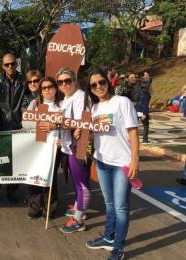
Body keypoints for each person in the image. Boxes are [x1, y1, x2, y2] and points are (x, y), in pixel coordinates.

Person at [84, 68, 139, 260]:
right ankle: (108, 237)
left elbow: (133, 132)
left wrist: (135, 160)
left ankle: (119, 248)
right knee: (109, 204)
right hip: (102, 162)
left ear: (108, 82)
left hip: (121, 163)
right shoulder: (94, 108)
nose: (98, 86)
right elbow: (95, 135)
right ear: (90, 88)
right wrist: (84, 134)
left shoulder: (122, 102)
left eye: (101, 82)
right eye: (93, 85)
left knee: (121, 207)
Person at [24, 76, 64, 219]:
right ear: (40, 90)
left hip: (55, 148)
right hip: (37, 146)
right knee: (35, 177)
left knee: (50, 178)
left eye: (50, 87)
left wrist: (58, 130)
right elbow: (25, 123)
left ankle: (49, 210)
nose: (47, 90)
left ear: (55, 88)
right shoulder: (35, 104)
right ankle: (34, 208)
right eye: (44, 88)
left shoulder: (62, 105)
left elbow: (67, 126)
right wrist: (41, 124)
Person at [56, 67, 91, 234]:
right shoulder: (65, 99)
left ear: (74, 80)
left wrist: (60, 123)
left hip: (80, 144)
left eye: (67, 81)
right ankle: (79, 208)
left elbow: (82, 122)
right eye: (61, 82)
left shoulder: (80, 97)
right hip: (69, 144)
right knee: (78, 182)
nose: (64, 84)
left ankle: (78, 220)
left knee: (82, 184)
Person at [0, 53, 26, 206]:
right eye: (7, 64)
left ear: (16, 64)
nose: (10, 67)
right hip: (0, 126)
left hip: (18, 126)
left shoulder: (24, 80)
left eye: (12, 64)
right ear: (2, 66)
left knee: (16, 161)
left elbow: (29, 97)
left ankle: (12, 191)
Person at [134, 73, 151, 143]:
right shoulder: (146, 92)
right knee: (146, 125)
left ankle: (133, 139)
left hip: (135, 109)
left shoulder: (137, 89)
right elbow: (145, 103)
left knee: (134, 126)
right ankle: (145, 139)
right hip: (141, 110)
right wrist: (145, 113)